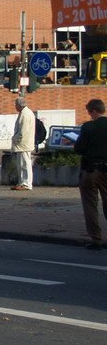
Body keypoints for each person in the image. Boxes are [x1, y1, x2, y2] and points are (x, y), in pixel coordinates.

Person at [74, 98, 107, 250]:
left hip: (91, 170)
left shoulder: (88, 127)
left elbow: (79, 148)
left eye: (89, 112)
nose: (89, 115)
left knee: (90, 206)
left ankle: (96, 239)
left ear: (93, 111)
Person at [10, 96, 35, 191]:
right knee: (21, 164)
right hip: (24, 143)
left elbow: (23, 132)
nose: (15, 106)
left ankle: (26, 183)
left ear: (19, 105)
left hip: (23, 143)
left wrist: (15, 139)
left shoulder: (25, 114)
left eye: (15, 105)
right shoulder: (26, 113)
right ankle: (22, 182)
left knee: (25, 164)